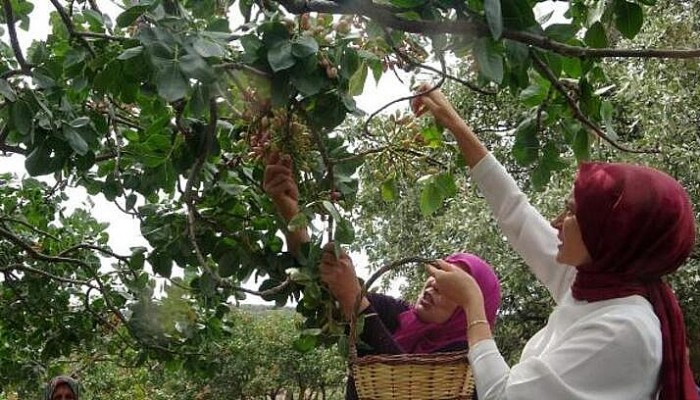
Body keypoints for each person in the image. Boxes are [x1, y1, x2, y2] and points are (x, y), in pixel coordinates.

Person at [411, 85, 698, 400]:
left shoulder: (622, 329)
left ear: (610, 233)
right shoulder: (594, 288)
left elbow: (502, 397)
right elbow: (515, 213)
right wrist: (455, 124)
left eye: (572, 212)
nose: (556, 222)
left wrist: (472, 304)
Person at [263, 151, 502, 400]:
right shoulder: (398, 316)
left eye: (451, 287)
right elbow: (328, 288)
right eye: (438, 275)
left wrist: (353, 300)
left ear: (468, 307)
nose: (434, 286)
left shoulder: (469, 365)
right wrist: (291, 213)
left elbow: (404, 382)